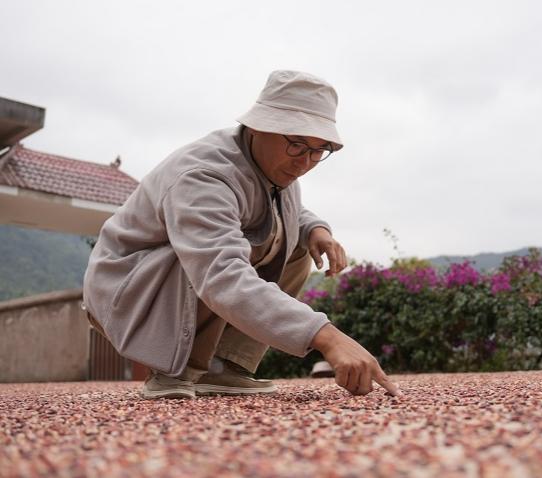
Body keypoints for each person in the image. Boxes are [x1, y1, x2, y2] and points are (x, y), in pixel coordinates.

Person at [83, 70, 399, 400]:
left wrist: (314, 230)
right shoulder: (203, 176)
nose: (305, 162)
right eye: (296, 144)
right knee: (216, 254)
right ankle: (177, 369)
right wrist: (327, 336)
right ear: (260, 126)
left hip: (180, 275)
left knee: (296, 247)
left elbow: (278, 210)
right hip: (127, 286)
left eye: (320, 150)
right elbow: (221, 273)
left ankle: (225, 366)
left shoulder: (274, 167)